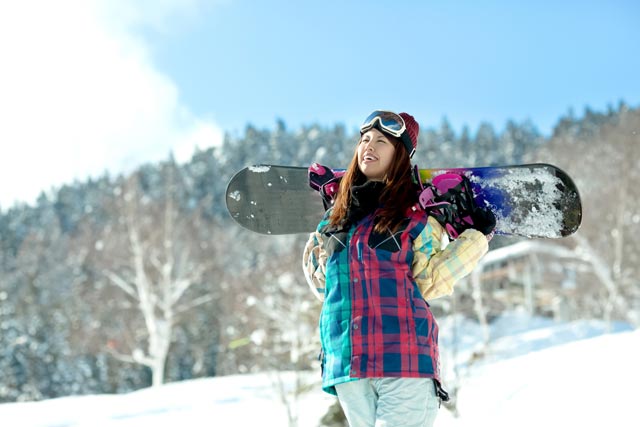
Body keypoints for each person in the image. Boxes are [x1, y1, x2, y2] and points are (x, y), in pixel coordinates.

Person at [302, 110, 493, 427]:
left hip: (403, 358)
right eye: (364, 140)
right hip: (347, 365)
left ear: (400, 155)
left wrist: (476, 238)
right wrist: (328, 224)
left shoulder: (414, 218)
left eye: (381, 141)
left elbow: (430, 280)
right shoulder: (335, 222)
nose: (369, 146)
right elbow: (322, 285)